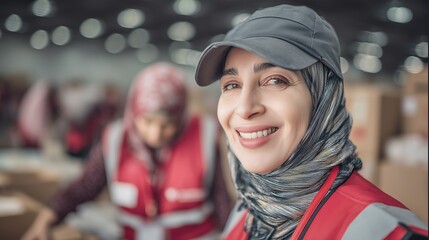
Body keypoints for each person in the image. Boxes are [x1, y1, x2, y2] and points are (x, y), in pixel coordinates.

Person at [194, 4, 428, 240]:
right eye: (231, 85)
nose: (245, 108)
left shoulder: (384, 232)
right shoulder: (246, 213)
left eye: (275, 80)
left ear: (324, 100)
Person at [22, 62, 233, 240]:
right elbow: (85, 185)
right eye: (147, 121)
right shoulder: (115, 140)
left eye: (168, 124)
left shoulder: (204, 137)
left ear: (180, 118)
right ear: (134, 113)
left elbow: (222, 201)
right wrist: (51, 214)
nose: (155, 133)